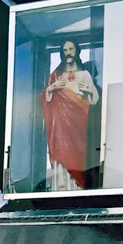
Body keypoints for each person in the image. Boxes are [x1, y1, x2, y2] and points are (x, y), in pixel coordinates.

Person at [39, 40, 99, 191]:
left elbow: (95, 99)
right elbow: (44, 99)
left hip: (78, 125)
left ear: (77, 51)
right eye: (65, 50)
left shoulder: (85, 75)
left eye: (71, 49)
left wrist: (89, 91)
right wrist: (52, 88)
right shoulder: (56, 76)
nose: (68, 53)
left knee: (77, 157)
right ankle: (62, 188)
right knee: (61, 156)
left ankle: (76, 188)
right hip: (60, 127)